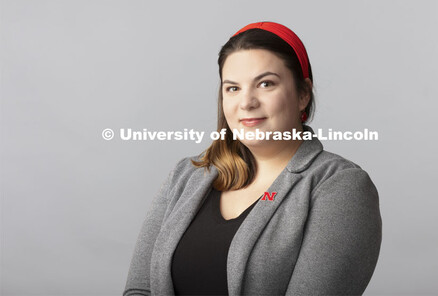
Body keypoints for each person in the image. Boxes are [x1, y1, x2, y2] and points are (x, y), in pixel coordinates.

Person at [123, 21, 382, 296]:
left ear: (303, 94)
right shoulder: (186, 175)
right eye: (233, 88)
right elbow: (140, 289)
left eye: (265, 84)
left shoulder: (339, 187)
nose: (246, 102)